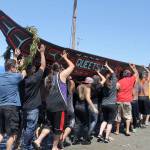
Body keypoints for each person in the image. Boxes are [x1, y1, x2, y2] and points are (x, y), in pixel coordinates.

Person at [45, 51, 75, 150]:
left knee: (50, 126)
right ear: (60, 69)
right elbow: (72, 66)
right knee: (58, 128)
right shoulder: (61, 76)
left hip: (49, 105)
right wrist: (65, 57)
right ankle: (54, 147)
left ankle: (40, 140)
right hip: (60, 106)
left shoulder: (47, 78)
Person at [21, 44, 46, 150]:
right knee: (30, 128)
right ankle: (25, 146)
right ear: (32, 71)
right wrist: (42, 52)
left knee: (27, 128)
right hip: (32, 109)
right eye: (34, 69)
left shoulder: (22, 81)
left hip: (24, 107)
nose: (36, 69)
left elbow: (21, 72)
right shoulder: (35, 79)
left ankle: (29, 145)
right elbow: (43, 66)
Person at [0, 49, 26, 150]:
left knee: (1, 132)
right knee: (12, 134)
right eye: (15, 67)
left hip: (1, 107)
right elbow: (23, 73)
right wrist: (22, 64)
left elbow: (14, 71)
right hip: (11, 108)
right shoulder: (15, 77)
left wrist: (15, 58)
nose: (16, 68)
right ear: (11, 68)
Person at [72, 77, 98, 145]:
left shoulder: (79, 87)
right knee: (86, 124)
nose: (91, 85)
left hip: (77, 107)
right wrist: (94, 108)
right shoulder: (87, 88)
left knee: (77, 123)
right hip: (84, 108)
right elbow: (88, 99)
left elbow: (74, 96)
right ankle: (85, 140)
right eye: (91, 83)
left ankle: (75, 140)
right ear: (89, 83)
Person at [115, 64, 138, 136]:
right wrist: (133, 68)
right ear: (129, 74)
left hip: (119, 100)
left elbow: (117, 89)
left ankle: (117, 131)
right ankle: (127, 131)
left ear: (124, 75)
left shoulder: (119, 81)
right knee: (128, 116)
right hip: (127, 101)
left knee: (118, 116)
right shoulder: (131, 80)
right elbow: (136, 73)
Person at [97, 62, 117, 143]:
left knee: (104, 120)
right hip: (112, 104)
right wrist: (107, 66)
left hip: (104, 104)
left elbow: (104, 79)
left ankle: (100, 134)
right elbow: (113, 73)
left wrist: (98, 73)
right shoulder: (114, 82)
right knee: (110, 122)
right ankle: (106, 137)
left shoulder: (103, 85)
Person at [88, 69, 106, 138]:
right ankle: (89, 133)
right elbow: (104, 79)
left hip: (89, 103)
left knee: (90, 119)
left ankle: (89, 131)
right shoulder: (99, 85)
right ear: (98, 80)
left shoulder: (89, 86)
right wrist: (99, 72)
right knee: (95, 120)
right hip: (95, 104)